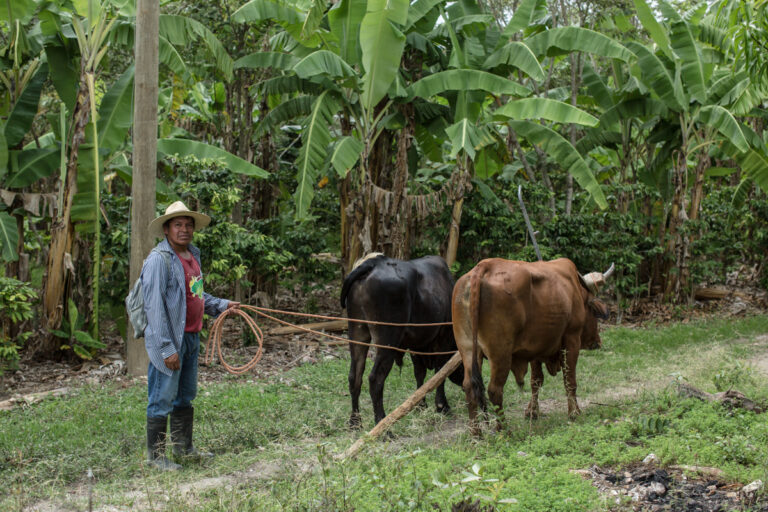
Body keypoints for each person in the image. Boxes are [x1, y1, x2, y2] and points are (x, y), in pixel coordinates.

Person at [141, 201, 239, 471]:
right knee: (162, 396)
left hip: (191, 337)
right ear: (166, 229)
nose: (184, 230)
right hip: (170, 339)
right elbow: (154, 308)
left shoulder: (192, 257)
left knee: (185, 395)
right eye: (178, 225)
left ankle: (184, 448)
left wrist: (222, 305)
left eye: (188, 225)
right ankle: (156, 457)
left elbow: (196, 296)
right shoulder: (159, 261)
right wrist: (166, 348)